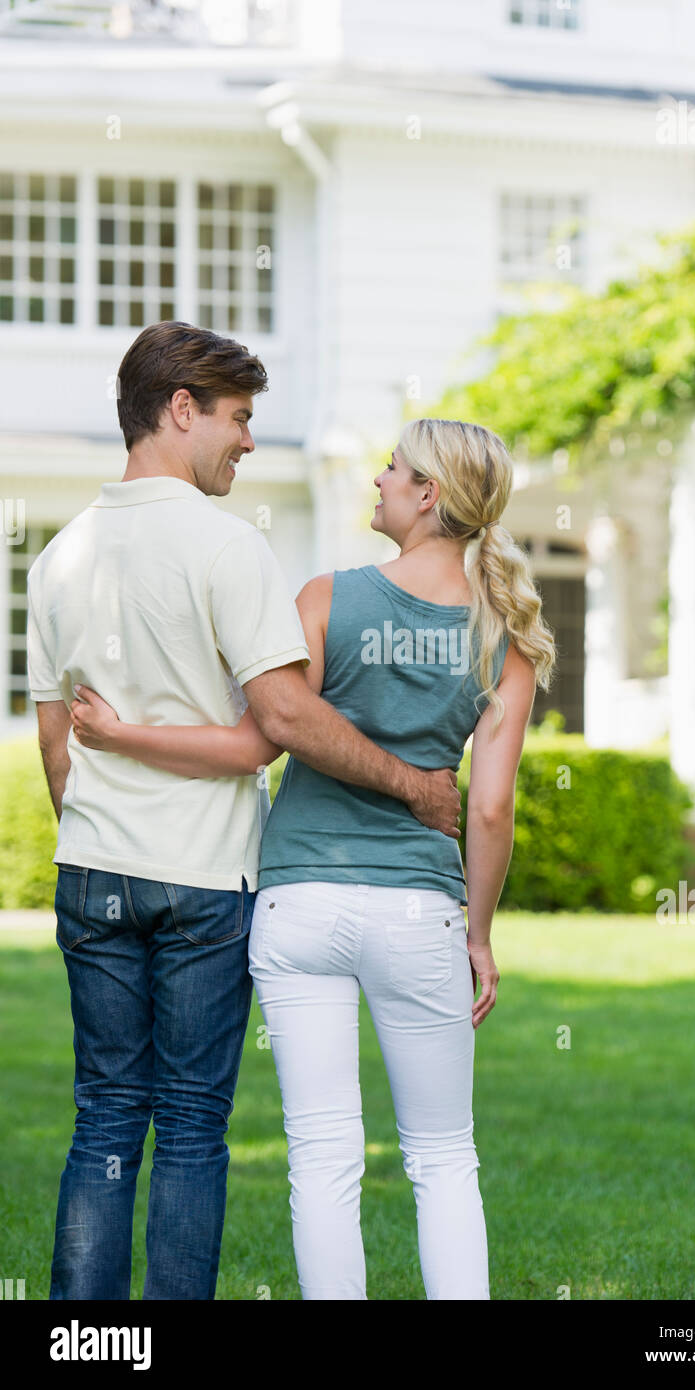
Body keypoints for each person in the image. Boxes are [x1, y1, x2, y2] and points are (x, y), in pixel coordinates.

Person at [70, 416, 556, 1300]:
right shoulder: (503, 637)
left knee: (322, 1156)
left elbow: (258, 741)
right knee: (444, 1156)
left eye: (394, 468)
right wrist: (478, 934)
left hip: (300, 903)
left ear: (428, 495)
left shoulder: (327, 597)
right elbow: (487, 806)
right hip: (420, 912)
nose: (378, 477)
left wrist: (118, 733)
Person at [26, 322, 461, 1302]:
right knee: (186, 1124)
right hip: (204, 881)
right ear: (181, 410)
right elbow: (281, 718)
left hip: (93, 869)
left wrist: (96, 830)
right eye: (238, 417)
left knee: (103, 1119)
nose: (250, 441)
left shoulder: (59, 558)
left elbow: (59, 745)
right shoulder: (229, 548)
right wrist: (414, 784)